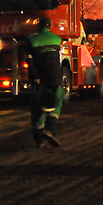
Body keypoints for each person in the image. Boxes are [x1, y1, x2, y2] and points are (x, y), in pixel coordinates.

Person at [26, 18, 63, 148]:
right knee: (57, 102)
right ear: (49, 26)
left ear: (38, 26)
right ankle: (50, 129)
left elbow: (29, 62)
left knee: (37, 107)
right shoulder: (57, 39)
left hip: (39, 79)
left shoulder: (31, 39)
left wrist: (34, 77)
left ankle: (38, 139)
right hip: (55, 78)